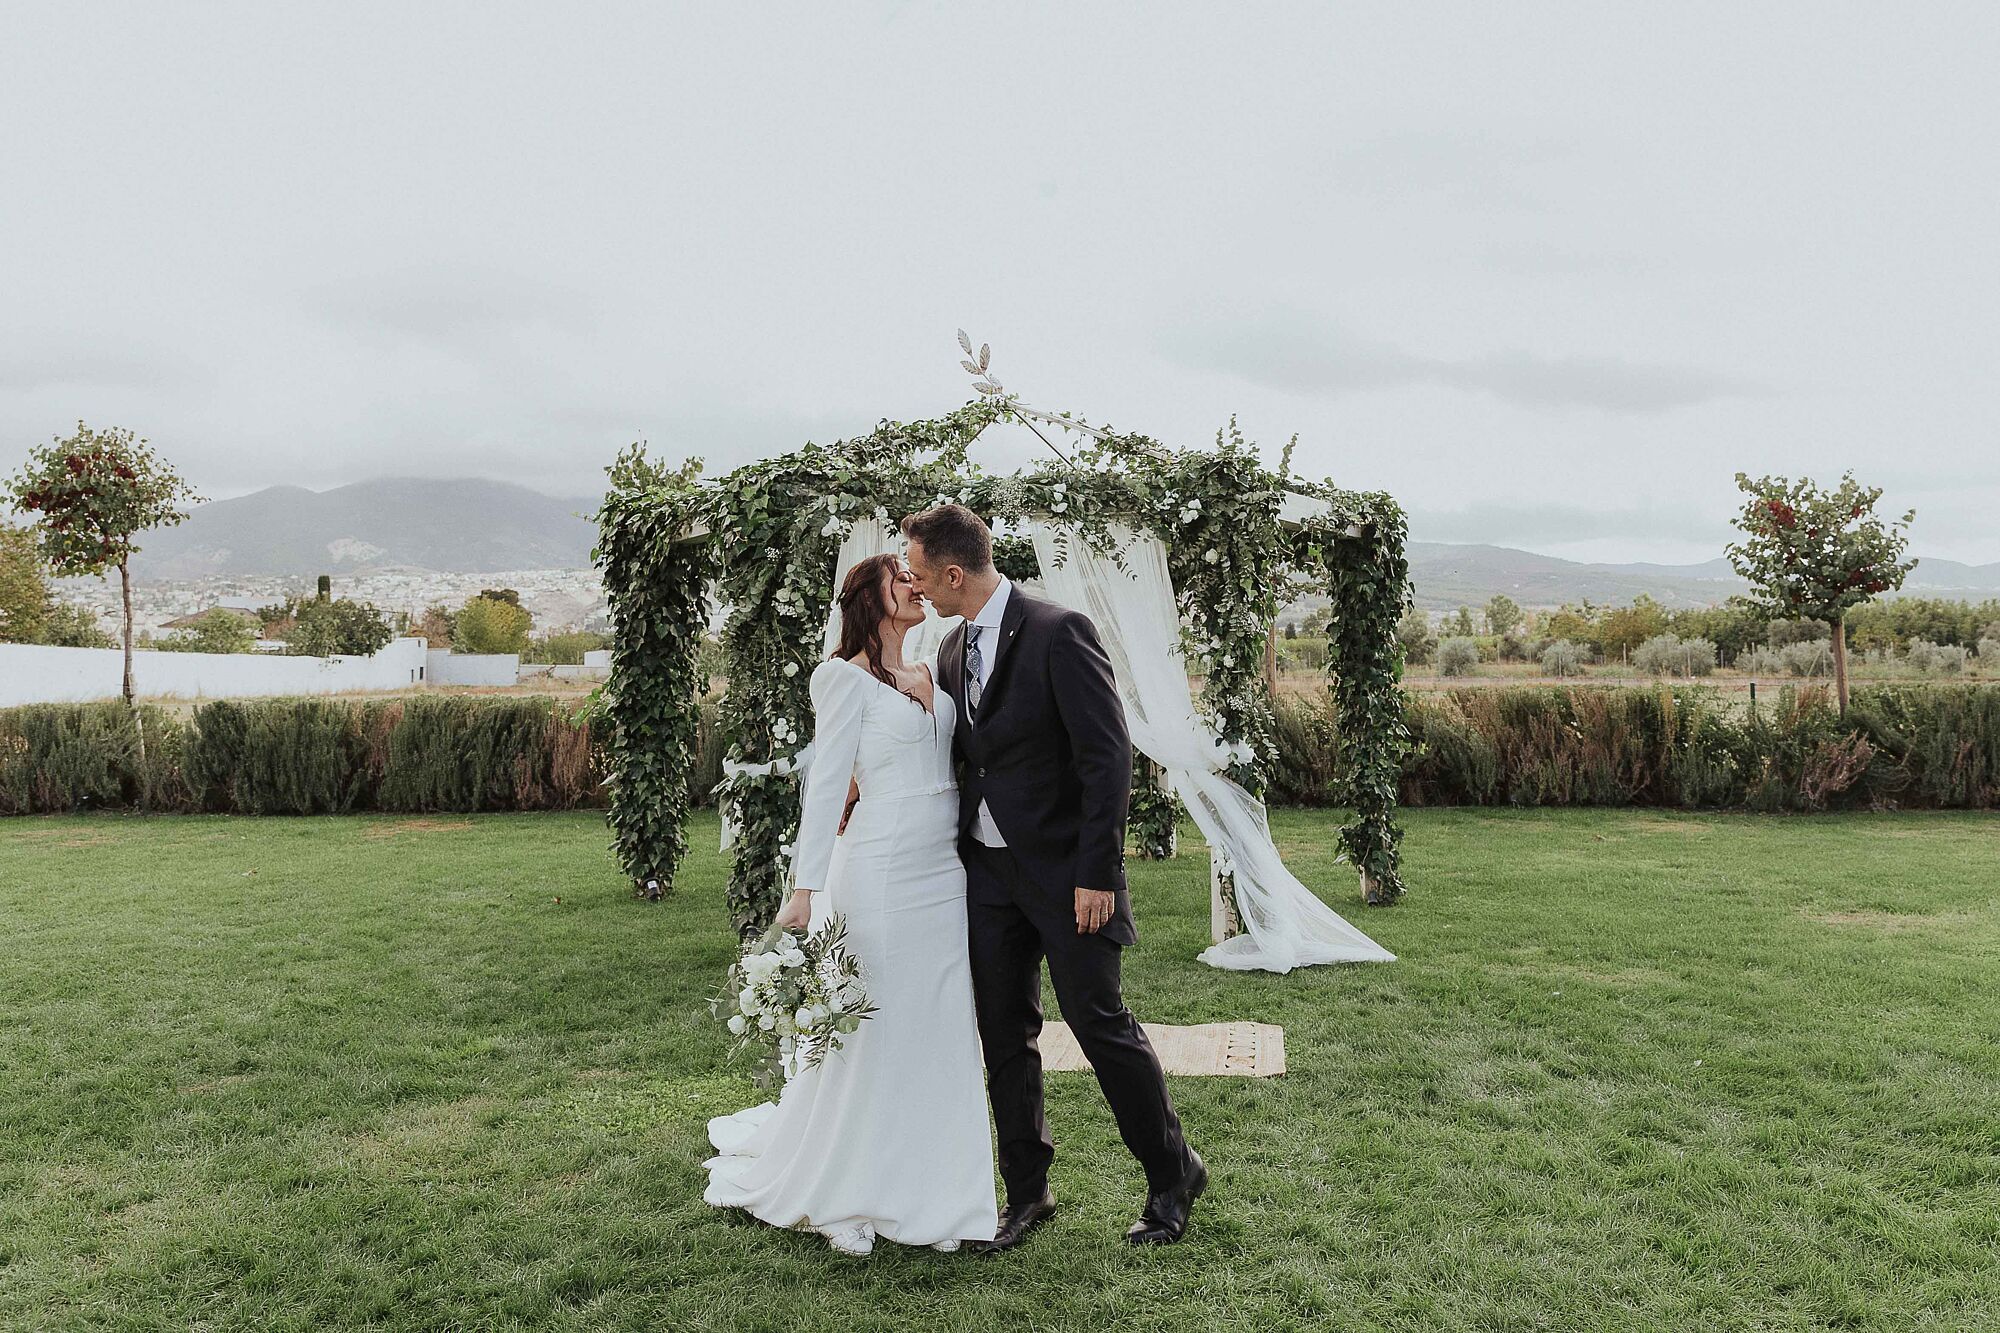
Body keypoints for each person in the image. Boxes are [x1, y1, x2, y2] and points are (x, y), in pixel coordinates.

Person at [902, 504, 1207, 1251]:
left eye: (918, 574)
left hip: (1070, 876)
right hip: (988, 877)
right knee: (1003, 1033)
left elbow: (1109, 757)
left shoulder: (1057, 630)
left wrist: (1097, 870)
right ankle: (1028, 1191)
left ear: (952, 572)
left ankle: (1173, 1175)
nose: (915, 588)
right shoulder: (948, 648)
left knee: (1100, 1025)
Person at [701, 554, 998, 1256]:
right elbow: (827, 782)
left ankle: (938, 1191)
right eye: (905, 580)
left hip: (943, 872)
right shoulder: (841, 679)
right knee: (871, 1024)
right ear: (871, 598)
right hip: (882, 870)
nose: (917, 587)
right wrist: (805, 888)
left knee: (938, 1025)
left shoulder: (937, 671)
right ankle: (847, 1190)